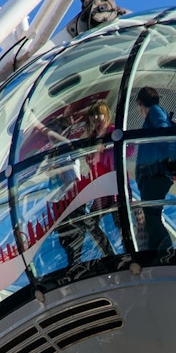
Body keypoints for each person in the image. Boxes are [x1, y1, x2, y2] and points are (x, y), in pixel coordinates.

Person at [60, 100, 115, 268]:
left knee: (117, 220)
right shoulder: (91, 138)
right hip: (100, 187)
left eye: (99, 114)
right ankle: (110, 254)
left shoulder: (112, 131)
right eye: (93, 115)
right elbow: (91, 162)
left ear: (106, 115)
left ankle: (114, 255)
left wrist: (107, 144)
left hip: (112, 185)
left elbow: (129, 150)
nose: (96, 118)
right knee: (91, 222)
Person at [133, 86, 176, 251]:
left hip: (155, 174)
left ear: (139, 102)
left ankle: (166, 253)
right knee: (152, 217)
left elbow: (165, 134)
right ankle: (157, 252)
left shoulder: (156, 112)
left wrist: (166, 162)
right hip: (154, 174)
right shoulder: (156, 113)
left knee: (152, 217)